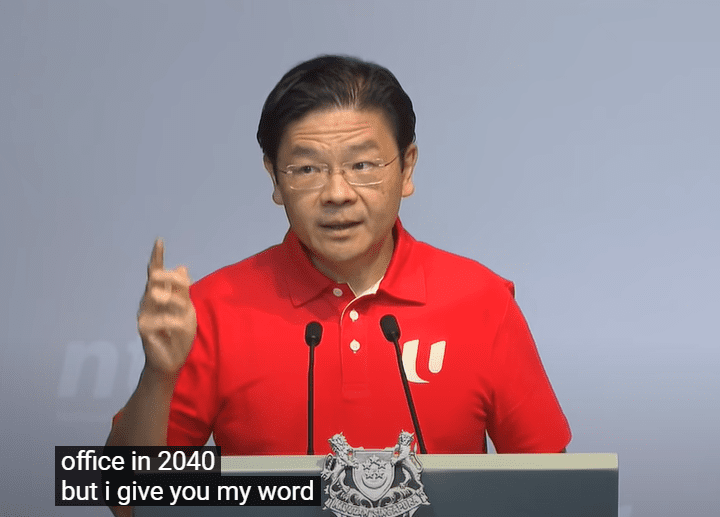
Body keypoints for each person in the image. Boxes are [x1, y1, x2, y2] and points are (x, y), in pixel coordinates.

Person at [106, 55, 570, 462]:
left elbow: (553, 492)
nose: (337, 193)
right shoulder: (212, 309)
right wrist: (158, 377)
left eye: (362, 165)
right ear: (275, 179)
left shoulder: (482, 301)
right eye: (307, 168)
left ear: (407, 167)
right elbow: (126, 499)